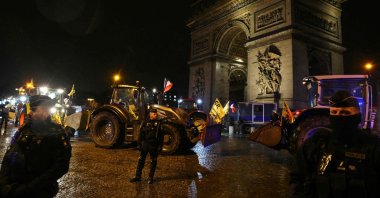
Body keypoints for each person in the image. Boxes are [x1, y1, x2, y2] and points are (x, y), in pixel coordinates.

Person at [290, 90, 380, 197]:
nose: (339, 117)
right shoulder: (315, 144)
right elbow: (298, 179)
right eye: (334, 112)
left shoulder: (373, 146)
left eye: (345, 113)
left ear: (357, 117)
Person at [0, 95, 72, 197]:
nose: (46, 112)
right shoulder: (24, 129)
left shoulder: (57, 132)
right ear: (32, 111)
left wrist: (27, 189)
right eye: (43, 108)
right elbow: (9, 156)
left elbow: (61, 166)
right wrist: (3, 184)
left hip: (40, 191)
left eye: (48, 109)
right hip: (15, 186)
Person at [130, 108, 164, 184]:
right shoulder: (145, 122)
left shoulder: (158, 124)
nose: (156, 115)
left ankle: (150, 177)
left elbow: (161, 136)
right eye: (154, 114)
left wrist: (160, 146)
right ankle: (137, 176)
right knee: (141, 160)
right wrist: (139, 144)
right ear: (150, 114)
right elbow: (141, 134)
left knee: (153, 161)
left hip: (154, 145)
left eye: (156, 114)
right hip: (145, 144)